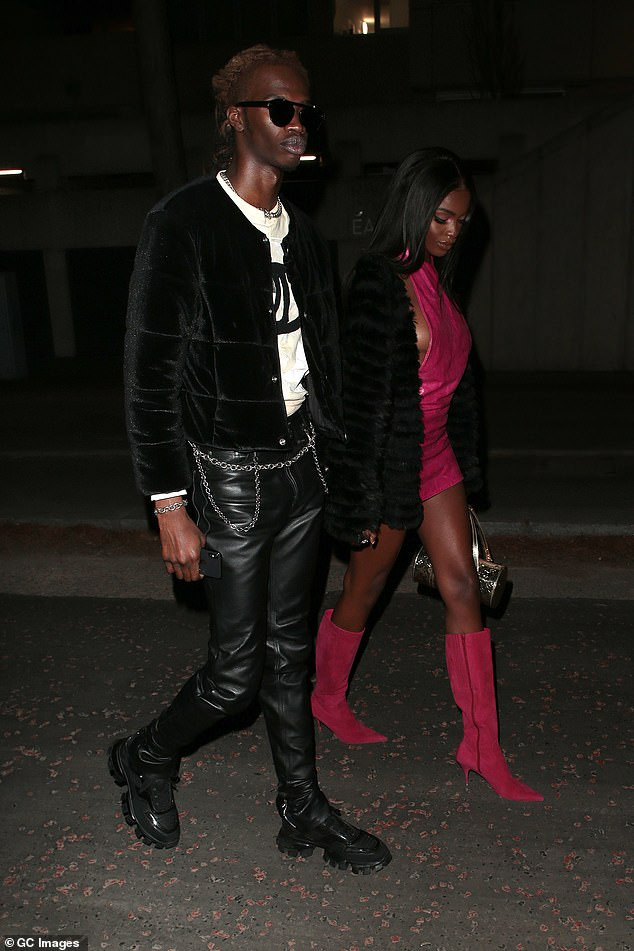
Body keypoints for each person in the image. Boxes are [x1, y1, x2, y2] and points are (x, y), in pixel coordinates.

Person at [108, 44, 391, 873]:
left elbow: (325, 368)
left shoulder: (304, 235)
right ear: (237, 117)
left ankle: (301, 807)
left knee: (289, 658)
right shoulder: (183, 223)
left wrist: (348, 474)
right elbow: (149, 374)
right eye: (282, 109)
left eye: (307, 112)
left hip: (303, 469)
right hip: (229, 479)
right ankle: (145, 755)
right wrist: (169, 504)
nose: (299, 124)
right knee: (234, 676)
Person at [313, 148, 543, 802]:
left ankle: (482, 746)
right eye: (440, 218)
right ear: (414, 209)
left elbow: (456, 386)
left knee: (463, 586)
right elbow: (362, 403)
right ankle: (326, 697)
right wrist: (359, 498)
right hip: (392, 462)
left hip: (437, 456)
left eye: (460, 222)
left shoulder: (441, 282)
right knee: (365, 587)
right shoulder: (378, 282)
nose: (450, 232)